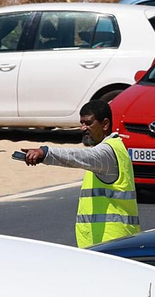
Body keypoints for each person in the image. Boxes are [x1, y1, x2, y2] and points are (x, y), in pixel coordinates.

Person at [19, 99, 140, 247]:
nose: (83, 128)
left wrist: (46, 153)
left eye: (88, 123)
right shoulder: (110, 149)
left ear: (105, 124)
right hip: (102, 242)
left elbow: (78, 157)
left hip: (112, 242)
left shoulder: (107, 152)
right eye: (81, 123)